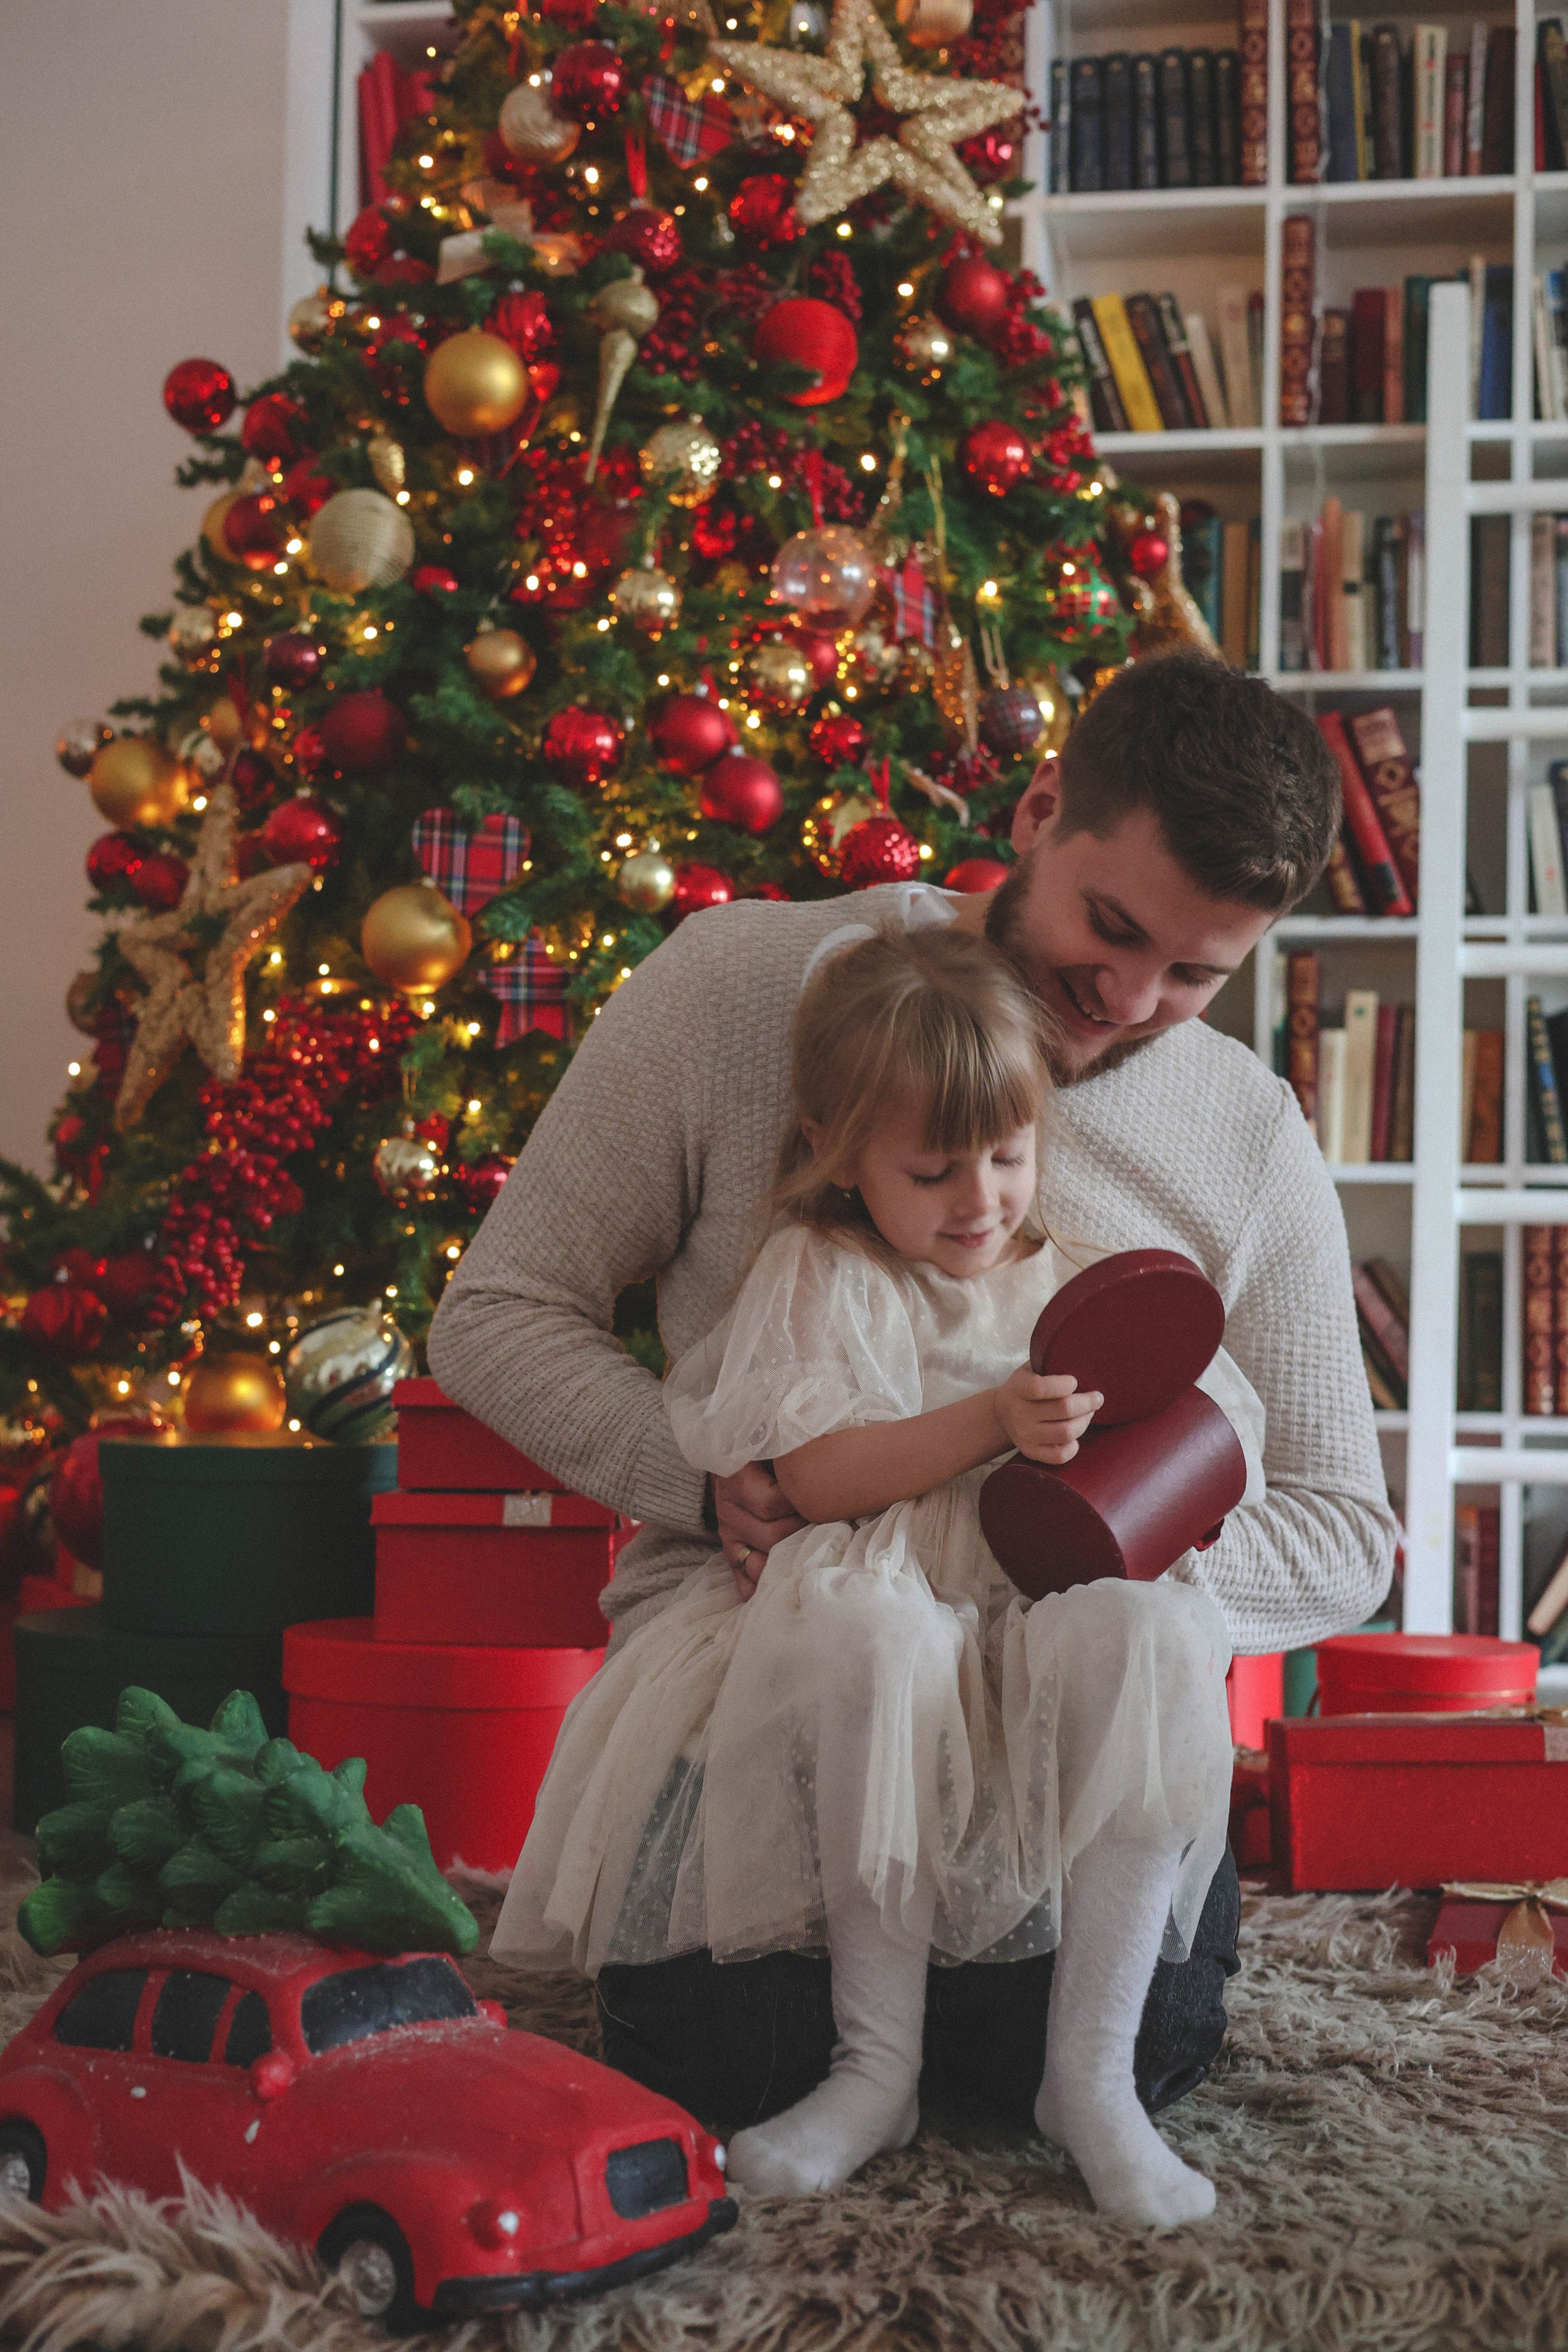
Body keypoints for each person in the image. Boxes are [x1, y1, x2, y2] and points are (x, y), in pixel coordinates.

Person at [428, 647, 1397, 2163]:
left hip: (1070, 1717)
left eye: (1194, 975)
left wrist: (1112, 1575)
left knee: (1098, 2061)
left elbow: (1343, 1528)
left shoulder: (1241, 1129)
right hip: (784, 1688)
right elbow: (495, 1314)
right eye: (1110, 929)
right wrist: (710, 1484)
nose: (1127, 1001)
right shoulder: (737, 989)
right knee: (737, 2060)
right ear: (1037, 811)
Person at [489, 924, 1266, 2220]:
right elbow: (811, 1477)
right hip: (880, 1605)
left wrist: (1162, 1491)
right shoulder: (822, 1271)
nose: (979, 1201)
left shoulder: (1073, 1276)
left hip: (1036, 1615)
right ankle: (874, 2065)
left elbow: (1193, 1430)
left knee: (1156, 1639)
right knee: (872, 1633)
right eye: (931, 1170)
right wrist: (992, 1419)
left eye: (1007, 1156)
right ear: (838, 1153)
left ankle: (1091, 2079)